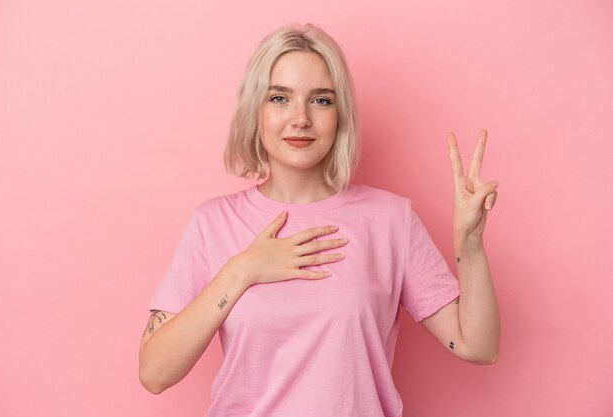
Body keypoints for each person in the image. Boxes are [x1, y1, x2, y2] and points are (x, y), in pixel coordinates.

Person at [139, 23, 500, 416]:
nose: (300, 119)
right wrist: (241, 271)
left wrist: (470, 245)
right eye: (279, 98)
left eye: (321, 101)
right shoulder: (213, 223)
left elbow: (476, 346)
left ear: (339, 115)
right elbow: (155, 372)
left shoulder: (391, 219)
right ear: (254, 110)